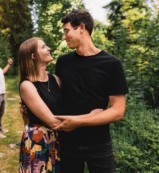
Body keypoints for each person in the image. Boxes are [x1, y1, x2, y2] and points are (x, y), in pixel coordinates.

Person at [54, 9, 129, 173]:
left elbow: (118, 111)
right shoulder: (63, 62)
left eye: (66, 31)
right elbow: (54, 96)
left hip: (99, 144)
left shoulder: (111, 64)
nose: (64, 36)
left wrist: (79, 122)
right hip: (68, 144)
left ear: (81, 27)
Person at [17, 37, 101, 173]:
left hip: (59, 140)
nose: (48, 48)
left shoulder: (55, 79)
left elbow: (69, 106)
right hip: (38, 141)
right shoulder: (27, 86)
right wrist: (90, 117)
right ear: (33, 56)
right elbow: (53, 121)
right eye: (43, 47)